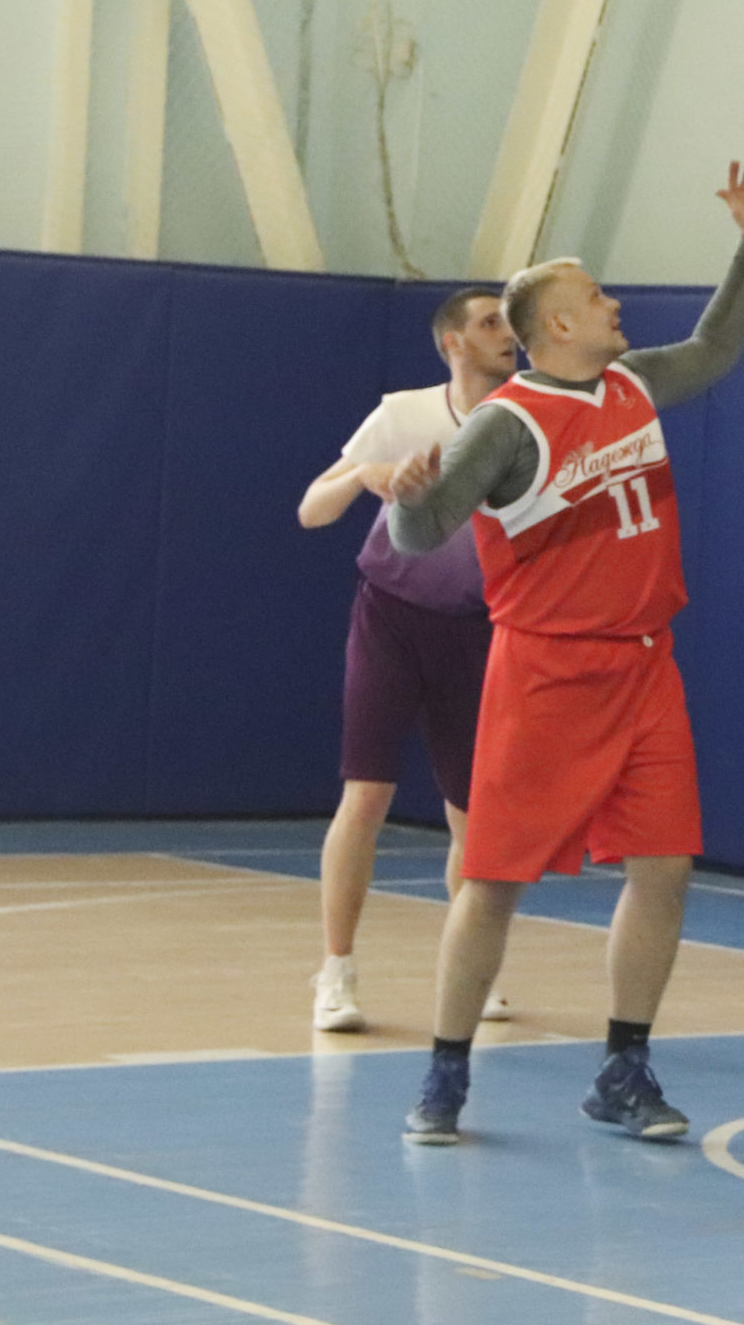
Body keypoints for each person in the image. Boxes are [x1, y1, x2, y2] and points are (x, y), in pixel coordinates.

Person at [385, 164, 744, 1146]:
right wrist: (405, 498)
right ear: (557, 324)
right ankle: (444, 1071)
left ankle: (624, 1068)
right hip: (545, 672)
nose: (614, 304)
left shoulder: (633, 383)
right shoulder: (506, 424)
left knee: (666, 868)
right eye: (596, 296)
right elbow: (420, 536)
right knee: (493, 880)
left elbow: (718, 346)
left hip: (644, 666)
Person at [295, 287, 518, 1033]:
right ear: (453, 342)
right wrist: (367, 477)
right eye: (490, 322)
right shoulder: (402, 414)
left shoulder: (526, 422)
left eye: (510, 320)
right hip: (390, 618)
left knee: (472, 814)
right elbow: (311, 510)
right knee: (366, 794)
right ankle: (336, 971)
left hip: (475, 629)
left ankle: (473, 968)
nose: (507, 332)